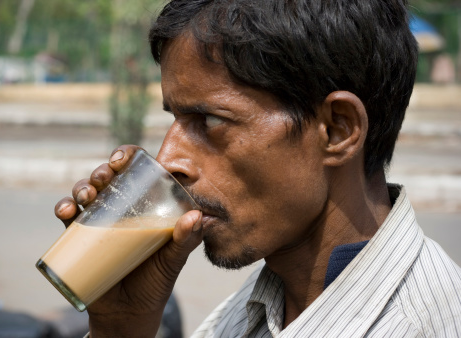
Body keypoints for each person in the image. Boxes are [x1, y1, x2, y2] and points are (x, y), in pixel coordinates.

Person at [54, 0, 461, 336]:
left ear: (337, 129)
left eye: (210, 121)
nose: (168, 161)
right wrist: (122, 326)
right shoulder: (264, 306)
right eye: (175, 119)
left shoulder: (417, 325)